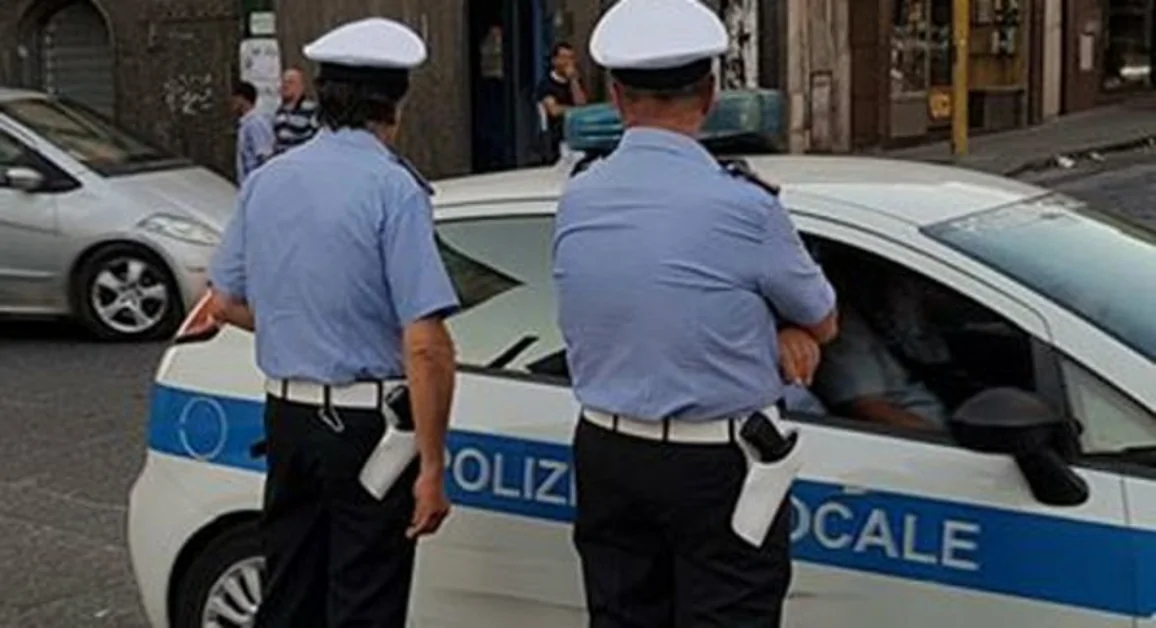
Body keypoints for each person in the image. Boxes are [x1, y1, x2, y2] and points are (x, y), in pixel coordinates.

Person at [552, 0, 839, 625]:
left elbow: (636, 294)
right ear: (710, 95)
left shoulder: (578, 198)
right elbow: (823, 320)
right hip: (715, 465)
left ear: (616, 97)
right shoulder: (745, 207)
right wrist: (783, 327)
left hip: (607, 451)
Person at [206, 17, 459, 628]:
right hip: (368, 428)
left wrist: (296, 330)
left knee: (290, 594)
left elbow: (222, 301)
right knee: (365, 601)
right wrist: (431, 465)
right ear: (396, 105)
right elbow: (425, 345)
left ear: (322, 98)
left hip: (288, 418)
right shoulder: (393, 188)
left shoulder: (268, 180)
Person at [535, 42, 588, 163]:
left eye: (571, 58)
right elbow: (553, 110)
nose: (568, 62)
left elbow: (582, 105)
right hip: (558, 136)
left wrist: (573, 81)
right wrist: (574, 110)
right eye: (564, 58)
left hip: (577, 134)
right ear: (555, 61)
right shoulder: (547, 84)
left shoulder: (576, 82)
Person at [230, 81, 275, 182]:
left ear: (242, 99)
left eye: (235, 98)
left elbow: (265, 156)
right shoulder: (245, 125)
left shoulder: (256, 123)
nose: (232, 102)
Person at [272, 67, 320, 154]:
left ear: (301, 87)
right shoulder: (279, 113)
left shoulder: (311, 111)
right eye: (284, 82)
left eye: (290, 82)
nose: (285, 85)